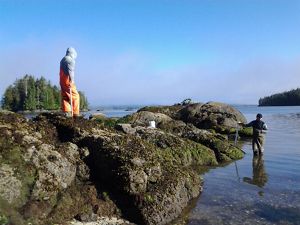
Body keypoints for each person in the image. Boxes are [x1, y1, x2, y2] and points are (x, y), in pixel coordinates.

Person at [59, 47, 80, 117]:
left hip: (62, 80)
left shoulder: (62, 59)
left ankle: (67, 112)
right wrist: (72, 81)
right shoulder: (70, 60)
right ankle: (75, 113)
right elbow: (71, 72)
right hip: (67, 80)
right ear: (73, 54)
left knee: (65, 96)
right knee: (75, 96)